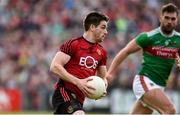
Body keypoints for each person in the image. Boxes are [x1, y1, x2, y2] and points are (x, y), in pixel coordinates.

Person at [106, 3, 180, 114]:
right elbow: (125, 51)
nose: (170, 21)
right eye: (167, 18)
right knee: (170, 110)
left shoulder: (178, 40)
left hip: (159, 86)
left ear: (177, 20)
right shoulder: (148, 37)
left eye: (173, 19)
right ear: (160, 18)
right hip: (144, 81)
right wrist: (110, 72)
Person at [50, 11, 109, 114]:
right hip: (63, 92)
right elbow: (54, 67)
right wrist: (78, 82)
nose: (106, 32)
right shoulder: (73, 44)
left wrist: (102, 87)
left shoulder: (102, 52)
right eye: (103, 27)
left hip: (79, 99)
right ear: (92, 27)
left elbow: (103, 77)